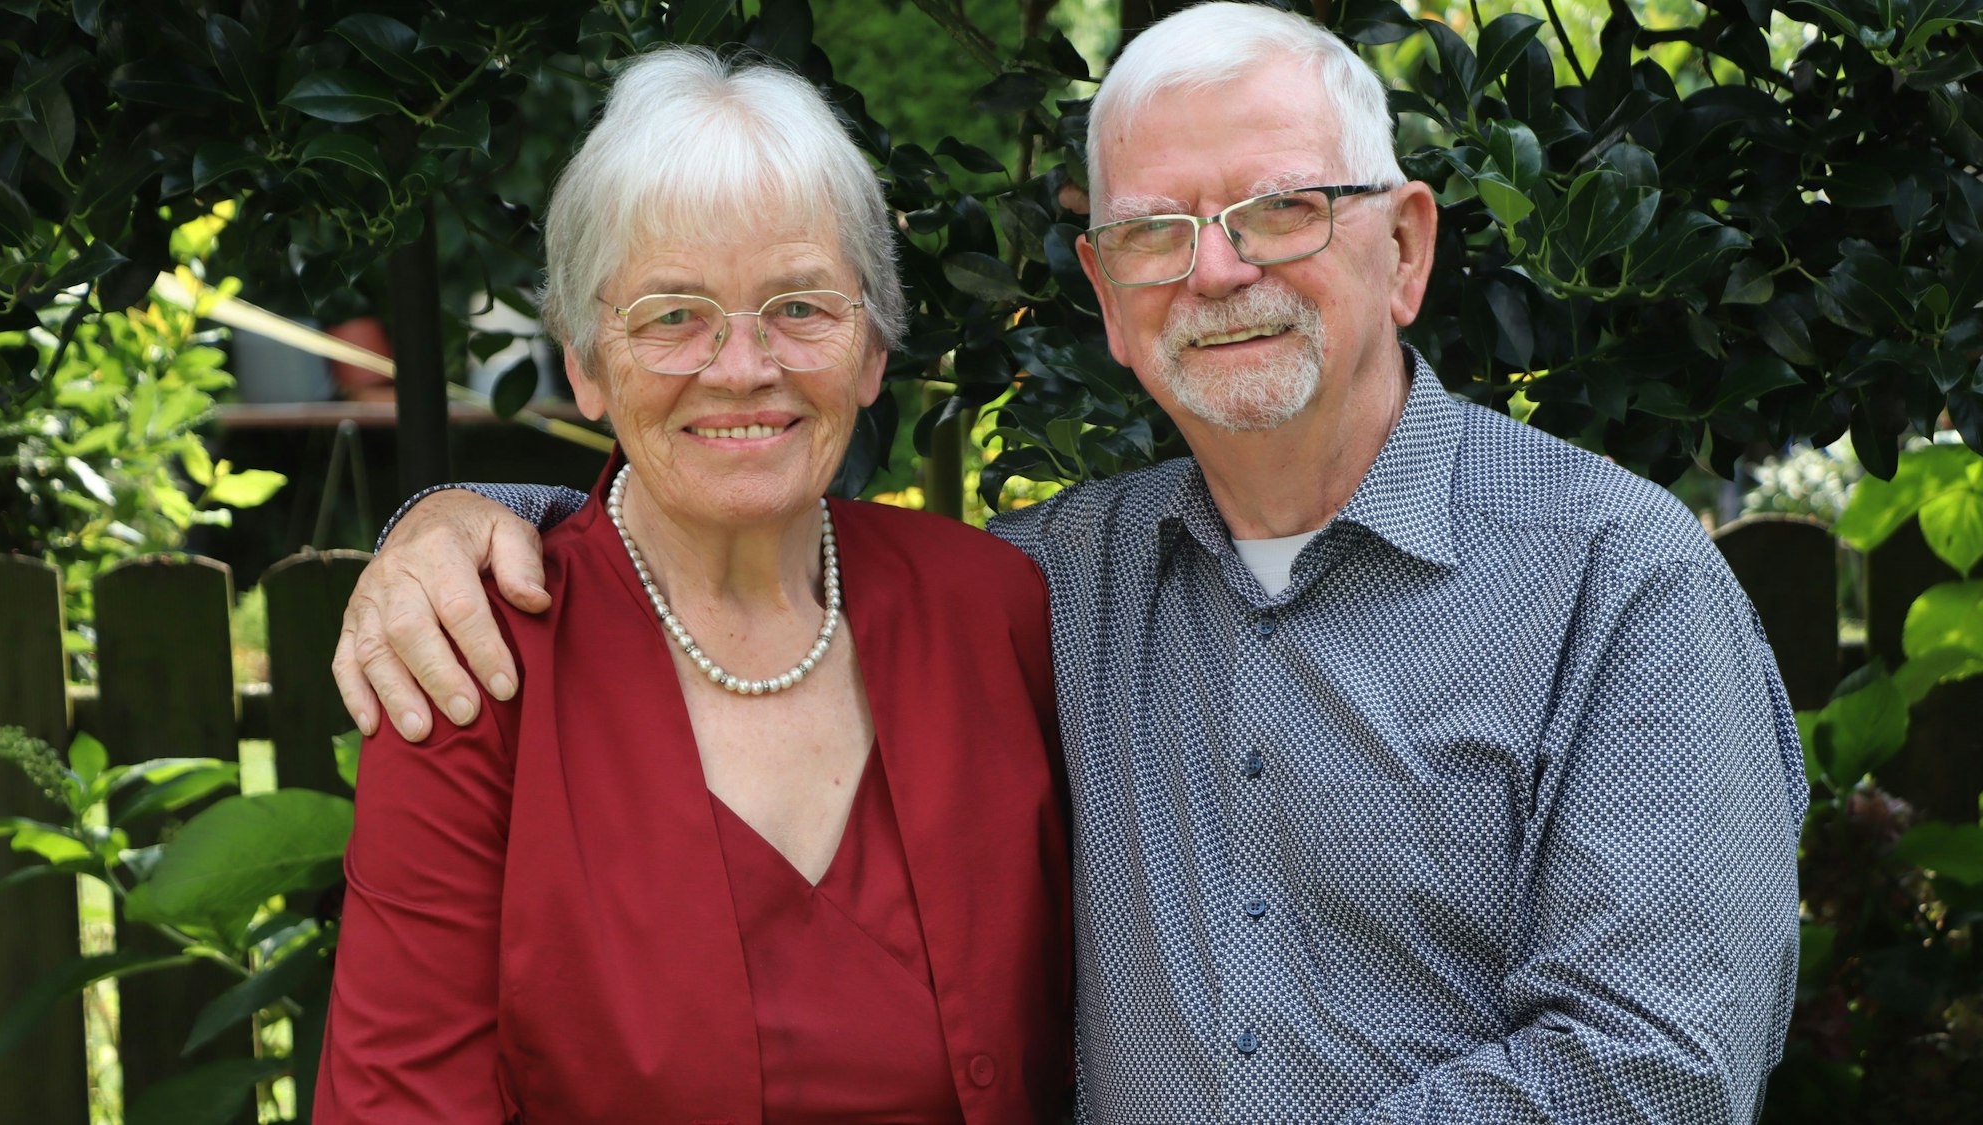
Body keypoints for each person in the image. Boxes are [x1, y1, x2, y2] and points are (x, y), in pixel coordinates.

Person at [334, 5, 1807, 1121]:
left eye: (1282, 210)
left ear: (1407, 247)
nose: (1218, 272)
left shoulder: (1618, 581)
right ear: (1104, 294)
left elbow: (1653, 1067)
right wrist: (468, 514)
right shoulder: (1056, 584)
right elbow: (705, 494)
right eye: (1158, 233)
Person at [314, 46, 1071, 1125]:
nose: (741, 367)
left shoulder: (993, 611)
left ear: (869, 347)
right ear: (583, 363)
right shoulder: (474, 666)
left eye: (800, 307)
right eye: (673, 315)